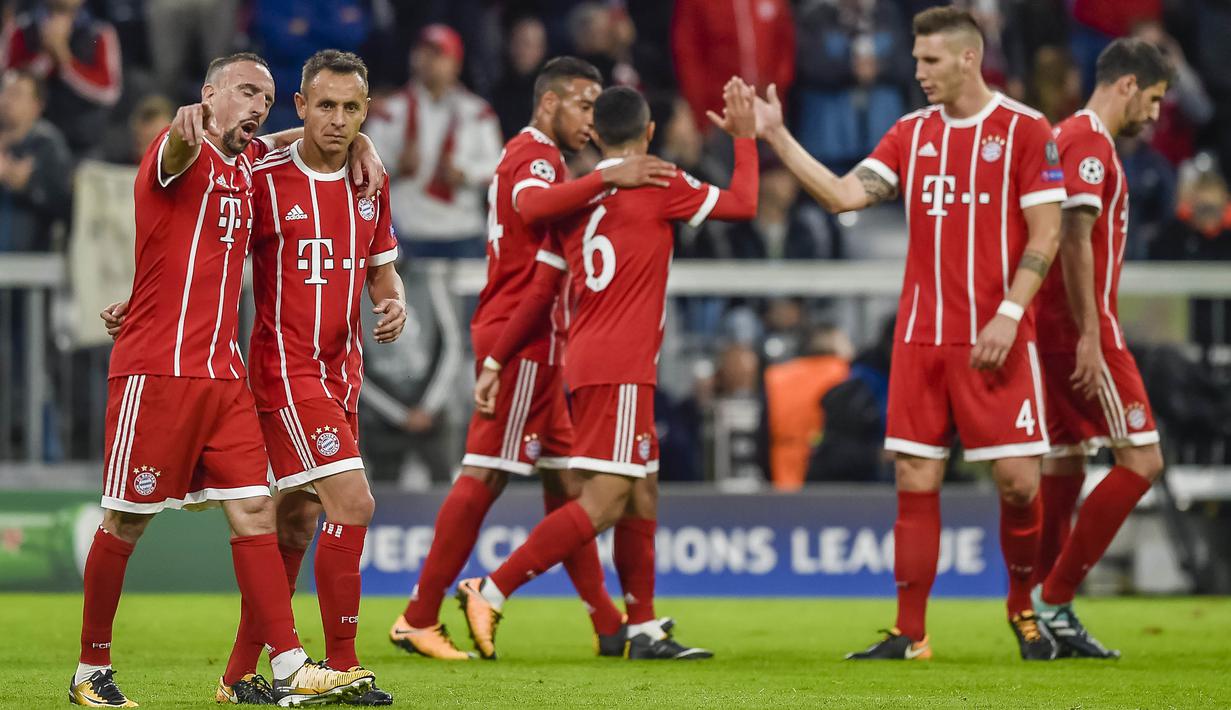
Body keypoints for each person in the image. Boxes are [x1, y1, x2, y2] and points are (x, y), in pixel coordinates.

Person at [755, 6, 1067, 661]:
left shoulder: (1022, 130)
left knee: (1017, 483)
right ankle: (910, 633)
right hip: (920, 341)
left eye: (929, 61)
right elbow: (843, 195)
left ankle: (1021, 607)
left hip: (998, 337)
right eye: (915, 59)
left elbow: (1046, 233)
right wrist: (778, 137)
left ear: (965, 58)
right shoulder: (909, 134)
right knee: (914, 481)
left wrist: (1009, 315)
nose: (917, 71)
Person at [74, 52, 381, 707]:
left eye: (264, 100)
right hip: (156, 372)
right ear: (211, 92)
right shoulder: (176, 146)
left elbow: (297, 135)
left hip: (224, 375)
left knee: (254, 512)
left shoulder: (249, 167)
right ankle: (90, 669)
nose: (254, 109)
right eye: (244, 93)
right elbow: (179, 152)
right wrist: (191, 125)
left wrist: (367, 144)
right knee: (125, 521)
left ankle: (288, 666)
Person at [456, 78, 758, 661]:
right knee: (604, 500)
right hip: (621, 366)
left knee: (642, 492)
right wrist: (745, 139)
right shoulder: (659, 180)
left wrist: (496, 359)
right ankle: (491, 589)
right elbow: (743, 203)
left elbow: (541, 291)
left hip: (589, 360)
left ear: (594, 134)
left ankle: (641, 628)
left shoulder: (573, 197)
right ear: (648, 132)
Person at [387, 56, 677, 661]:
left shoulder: (544, 158)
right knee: (486, 471)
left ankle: (606, 621)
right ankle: (418, 616)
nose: (593, 121)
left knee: (567, 483)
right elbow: (531, 209)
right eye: (584, 104)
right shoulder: (533, 154)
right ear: (550, 102)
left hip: (547, 341)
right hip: (522, 334)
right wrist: (609, 178)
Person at [216, 49, 404, 706]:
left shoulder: (368, 181)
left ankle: (239, 675)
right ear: (300, 107)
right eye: (324, 105)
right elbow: (206, 180)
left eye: (353, 108)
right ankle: (343, 665)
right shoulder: (262, 173)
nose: (338, 119)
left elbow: (381, 265)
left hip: (342, 372)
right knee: (353, 503)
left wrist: (392, 298)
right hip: (284, 368)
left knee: (297, 523)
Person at [1032, 38, 1171, 658]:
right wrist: (1091, 332)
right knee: (1141, 462)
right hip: (1082, 330)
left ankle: (1042, 606)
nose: (1157, 114)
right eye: (1156, 100)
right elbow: (1074, 234)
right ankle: (1053, 599)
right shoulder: (1088, 140)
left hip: (1052, 329)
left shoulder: (1069, 136)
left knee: (1064, 465)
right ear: (1128, 85)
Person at [364, 24, 503, 259]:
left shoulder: (477, 113)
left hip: (462, 227)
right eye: (423, 53)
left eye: (438, 55)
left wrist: (464, 174)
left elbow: (497, 166)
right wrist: (396, 164)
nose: (428, 61)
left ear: (455, 64)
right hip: (407, 228)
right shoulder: (390, 111)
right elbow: (365, 165)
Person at [0, 0, 121, 155]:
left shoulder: (101, 32)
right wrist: (47, 55)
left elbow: (108, 92)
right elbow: (9, 83)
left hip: (83, 142)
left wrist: (65, 60)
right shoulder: (21, 28)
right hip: (29, 140)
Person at [0, 68, 71, 253]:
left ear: (37, 105)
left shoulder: (48, 145)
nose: (7, 99)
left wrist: (29, 184)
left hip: (31, 263)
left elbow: (65, 202)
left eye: (17, 94)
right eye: (5, 91)